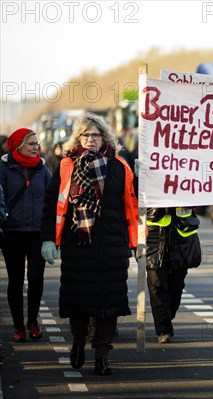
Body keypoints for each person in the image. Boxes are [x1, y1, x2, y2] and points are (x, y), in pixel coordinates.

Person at [40, 113, 138, 376]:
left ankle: (103, 354)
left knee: (110, 302)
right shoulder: (66, 166)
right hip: (78, 244)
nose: (91, 139)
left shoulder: (120, 166)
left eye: (96, 135)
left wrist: (136, 241)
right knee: (79, 299)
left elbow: (132, 204)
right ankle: (79, 341)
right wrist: (48, 238)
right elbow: (52, 204)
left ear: (104, 137)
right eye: (86, 135)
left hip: (113, 245)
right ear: (78, 138)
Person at [0, 128, 52, 343]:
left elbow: (50, 198)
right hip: (12, 233)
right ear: (18, 145)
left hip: (37, 232)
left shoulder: (42, 168)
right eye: (31, 144)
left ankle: (33, 321)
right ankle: (18, 325)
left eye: (37, 144)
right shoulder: (4, 167)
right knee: (16, 280)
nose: (35, 148)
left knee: (36, 279)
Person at [146, 207, 201, 343]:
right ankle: (163, 329)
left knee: (176, 285)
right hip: (154, 235)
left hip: (181, 234)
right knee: (157, 283)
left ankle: (166, 317)